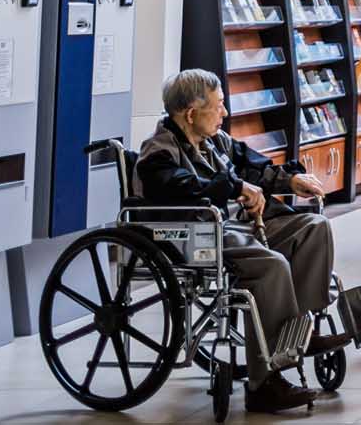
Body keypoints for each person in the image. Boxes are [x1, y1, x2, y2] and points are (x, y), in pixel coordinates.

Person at [138, 70, 343, 414]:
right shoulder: (159, 151)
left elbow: (250, 166)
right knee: (271, 266)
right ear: (190, 113)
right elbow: (182, 188)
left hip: (236, 227)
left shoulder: (214, 142)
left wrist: (290, 180)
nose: (225, 113)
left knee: (313, 226)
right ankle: (265, 385)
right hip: (197, 236)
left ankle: (299, 335)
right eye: (218, 106)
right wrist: (234, 189)